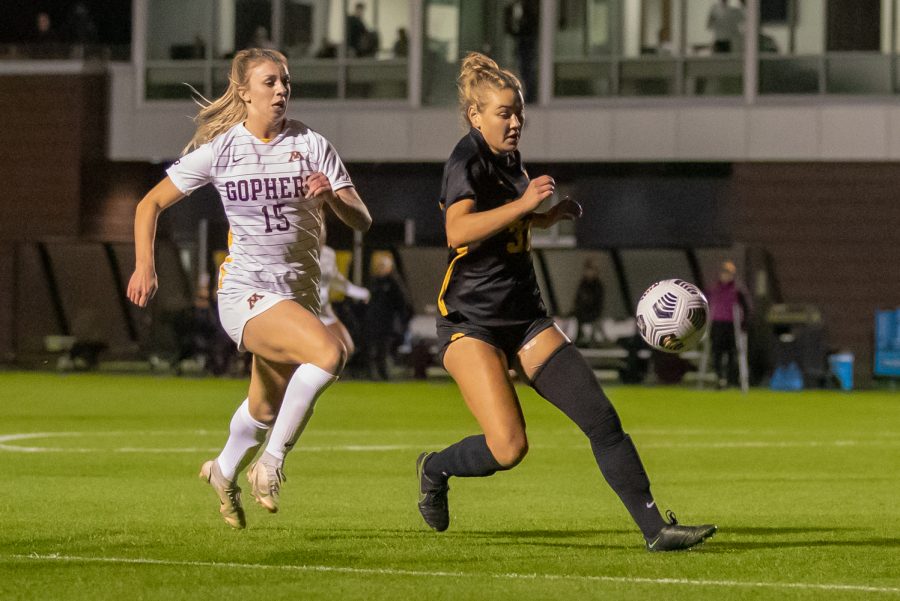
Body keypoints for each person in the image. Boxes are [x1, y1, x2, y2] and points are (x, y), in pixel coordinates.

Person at [415, 52, 716, 552]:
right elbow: (458, 230)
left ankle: (656, 531)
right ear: (475, 115)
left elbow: (505, 220)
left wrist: (542, 220)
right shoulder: (465, 159)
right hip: (471, 323)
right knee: (509, 447)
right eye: (504, 113)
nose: (515, 123)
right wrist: (525, 205)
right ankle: (434, 467)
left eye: (519, 114)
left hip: (526, 317)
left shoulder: (509, 158)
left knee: (601, 419)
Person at [126, 48, 372, 529]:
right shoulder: (222, 150)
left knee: (263, 407)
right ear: (244, 92)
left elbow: (362, 220)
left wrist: (332, 201)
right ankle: (270, 465)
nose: (282, 90)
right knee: (329, 352)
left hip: (296, 294)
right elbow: (149, 204)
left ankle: (222, 470)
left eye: (285, 81)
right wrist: (144, 266)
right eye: (270, 82)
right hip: (245, 294)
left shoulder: (313, 144)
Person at [319, 226, 370, 358]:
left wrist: (360, 293)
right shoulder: (297, 251)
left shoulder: (328, 254)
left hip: (323, 308)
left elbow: (336, 280)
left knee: (345, 348)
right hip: (302, 308)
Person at [363, 252, 412, 380]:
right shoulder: (373, 282)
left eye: (383, 266)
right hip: (373, 321)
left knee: (384, 349)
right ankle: (373, 374)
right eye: (379, 266)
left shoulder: (394, 283)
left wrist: (402, 321)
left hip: (387, 323)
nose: (380, 268)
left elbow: (402, 303)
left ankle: (384, 373)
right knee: (372, 349)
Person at [706, 260, 750, 389]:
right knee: (716, 352)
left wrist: (744, 323)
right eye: (724, 273)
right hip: (717, 323)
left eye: (729, 274)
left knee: (732, 353)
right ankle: (719, 378)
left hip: (731, 325)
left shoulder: (737, 290)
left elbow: (746, 307)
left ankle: (730, 379)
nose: (726, 276)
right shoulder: (714, 289)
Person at [503, 0, 539, 103]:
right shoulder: (510, 9)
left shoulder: (530, 8)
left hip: (528, 44)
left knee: (527, 70)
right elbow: (508, 26)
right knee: (516, 69)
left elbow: (533, 26)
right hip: (517, 42)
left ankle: (530, 95)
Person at [572, 257, 605, 347]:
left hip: (593, 314)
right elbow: (578, 300)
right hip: (582, 313)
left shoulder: (597, 285)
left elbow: (598, 304)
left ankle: (593, 340)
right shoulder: (583, 284)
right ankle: (580, 338)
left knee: (595, 327)